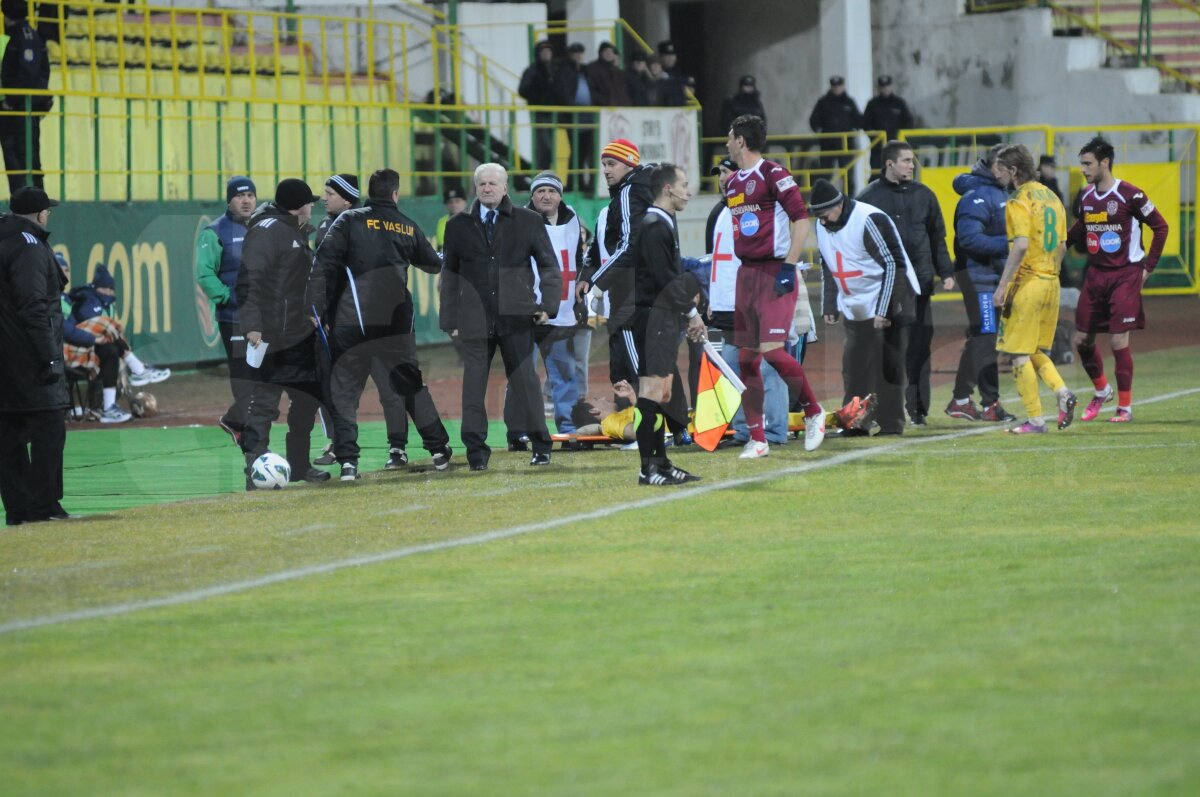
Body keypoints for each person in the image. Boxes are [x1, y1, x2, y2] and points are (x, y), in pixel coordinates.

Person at [308, 169, 452, 480]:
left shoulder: (348, 221)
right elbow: (434, 263)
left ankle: (348, 462)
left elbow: (323, 263)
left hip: (353, 322)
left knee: (344, 391)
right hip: (397, 324)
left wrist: (316, 308)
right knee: (409, 385)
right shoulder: (406, 225)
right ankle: (439, 450)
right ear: (395, 194)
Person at [440, 162, 561, 471]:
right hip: (473, 320)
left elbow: (548, 265)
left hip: (517, 316)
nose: (487, 188)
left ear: (505, 187)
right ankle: (476, 453)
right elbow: (450, 275)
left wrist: (548, 305)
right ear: (475, 188)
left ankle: (541, 444)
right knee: (473, 388)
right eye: (482, 184)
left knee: (526, 384)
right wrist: (449, 320)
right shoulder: (457, 226)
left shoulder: (528, 221)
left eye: (493, 183)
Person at [725, 114, 824, 458]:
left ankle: (813, 412)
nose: (725, 142)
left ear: (740, 140)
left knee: (772, 351)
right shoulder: (733, 183)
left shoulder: (774, 174)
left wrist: (789, 265)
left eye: (729, 136)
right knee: (746, 360)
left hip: (774, 271)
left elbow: (801, 219)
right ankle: (758, 438)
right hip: (747, 274)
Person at [1066, 136, 1169, 424]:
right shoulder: (1086, 197)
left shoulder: (1131, 195)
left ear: (1104, 162)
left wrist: (1148, 268)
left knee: (1117, 340)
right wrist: (1058, 242)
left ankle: (1125, 407)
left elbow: (1161, 227)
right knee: (1081, 340)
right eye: (1082, 164)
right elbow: (1079, 229)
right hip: (1095, 275)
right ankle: (1101, 391)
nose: (1083, 169)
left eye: (1087, 164)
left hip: (1125, 275)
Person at [237, 178, 331, 486]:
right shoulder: (268, 232)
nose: (313, 206)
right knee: (264, 403)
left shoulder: (294, 230)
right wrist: (253, 326)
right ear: (299, 205)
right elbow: (250, 281)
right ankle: (255, 468)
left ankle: (300, 466)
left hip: (298, 333)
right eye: (310, 202)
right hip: (272, 333)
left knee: (305, 401)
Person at [857, 140, 954, 425]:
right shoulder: (868, 198)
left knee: (920, 349)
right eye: (907, 161)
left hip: (920, 285)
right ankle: (878, 409)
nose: (912, 165)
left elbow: (938, 237)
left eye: (912, 161)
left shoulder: (925, 195)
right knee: (883, 351)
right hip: (884, 290)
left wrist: (946, 272)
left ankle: (919, 410)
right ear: (889, 163)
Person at [812, 178, 919, 436]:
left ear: (839, 204)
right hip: (856, 305)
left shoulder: (869, 219)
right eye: (819, 217)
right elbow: (828, 262)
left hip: (891, 298)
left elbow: (893, 264)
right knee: (854, 367)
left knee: (887, 366)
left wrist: (884, 309)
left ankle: (891, 424)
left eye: (826, 215)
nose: (823, 222)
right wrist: (830, 304)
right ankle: (855, 422)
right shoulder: (822, 223)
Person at [990, 144, 1077, 434]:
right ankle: (1063, 393)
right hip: (1051, 281)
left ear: (1013, 171)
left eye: (1000, 169)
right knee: (1037, 349)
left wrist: (1004, 285)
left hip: (1028, 283)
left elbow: (1022, 245)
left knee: (1017, 353)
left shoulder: (1018, 200)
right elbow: (1063, 245)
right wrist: (1050, 273)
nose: (997, 174)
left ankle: (1036, 420)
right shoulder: (1052, 196)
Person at [630, 161, 705, 486]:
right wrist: (691, 313)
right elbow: (664, 279)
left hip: (660, 318)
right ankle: (649, 469)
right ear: (667, 188)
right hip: (651, 319)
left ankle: (660, 463)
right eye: (684, 184)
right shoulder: (654, 225)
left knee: (659, 393)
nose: (689, 191)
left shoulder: (662, 222)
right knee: (650, 394)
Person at [0, 186, 69, 524]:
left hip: (4, 360)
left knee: (8, 433)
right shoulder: (30, 247)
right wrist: (50, 357)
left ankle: (18, 509)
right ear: (41, 214)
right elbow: (33, 307)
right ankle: (43, 507)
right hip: (28, 358)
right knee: (50, 425)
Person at [576, 138, 653, 408]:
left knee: (635, 365)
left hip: (632, 295)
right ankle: (633, 422)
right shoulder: (611, 208)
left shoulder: (632, 194)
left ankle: (648, 427)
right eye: (603, 165)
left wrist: (597, 284)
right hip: (618, 299)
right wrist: (586, 275)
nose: (606, 170)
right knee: (623, 362)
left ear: (630, 164)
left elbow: (630, 248)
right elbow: (595, 251)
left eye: (612, 164)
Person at [945, 143, 1016, 423]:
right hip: (979, 278)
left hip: (989, 277)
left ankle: (979, 402)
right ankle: (970, 400)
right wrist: (1011, 244)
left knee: (985, 339)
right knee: (985, 338)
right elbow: (969, 239)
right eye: (1009, 167)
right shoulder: (977, 197)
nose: (1014, 172)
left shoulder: (997, 192)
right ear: (996, 167)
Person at [64, 263, 170, 422]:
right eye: (104, 289)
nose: (108, 293)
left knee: (112, 349)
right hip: (69, 349)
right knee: (106, 325)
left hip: (88, 348)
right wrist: (96, 338)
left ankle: (108, 408)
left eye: (110, 290)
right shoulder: (86, 300)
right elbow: (75, 330)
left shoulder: (103, 303)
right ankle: (138, 370)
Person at [196, 176, 258, 444]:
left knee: (264, 375)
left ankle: (235, 420)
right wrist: (227, 297)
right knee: (243, 375)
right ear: (229, 200)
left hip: (260, 317)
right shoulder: (215, 231)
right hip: (232, 317)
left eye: (251, 196)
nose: (246, 201)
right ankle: (249, 433)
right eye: (240, 196)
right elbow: (204, 274)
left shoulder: (262, 226)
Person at [526, 171, 584, 435]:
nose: (546, 196)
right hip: (528, 312)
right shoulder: (520, 221)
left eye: (552, 191)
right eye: (540, 191)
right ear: (532, 196)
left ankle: (568, 427)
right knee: (523, 374)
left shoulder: (573, 221)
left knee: (565, 373)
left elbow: (580, 260)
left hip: (561, 311)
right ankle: (522, 429)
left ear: (560, 196)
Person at [0, 0, 51, 193]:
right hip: (27, 107)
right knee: (29, 158)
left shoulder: (20, 37)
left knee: (20, 159)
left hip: (19, 110)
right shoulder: (33, 35)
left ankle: (27, 209)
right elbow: (44, 70)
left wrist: (10, 102)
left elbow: (27, 73)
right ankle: (34, 209)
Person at [554, 43, 596, 192]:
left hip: (587, 116)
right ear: (570, 54)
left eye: (580, 53)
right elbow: (562, 91)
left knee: (584, 151)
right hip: (572, 116)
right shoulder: (565, 70)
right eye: (575, 53)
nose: (578, 56)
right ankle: (573, 183)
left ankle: (580, 182)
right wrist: (572, 106)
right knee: (576, 150)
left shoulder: (584, 71)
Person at [809, 76, 861, 194]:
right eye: (835, 87)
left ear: (843, 86)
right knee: (825, 175)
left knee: (848, 176)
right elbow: (814, 120)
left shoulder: (849, 102)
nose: (837, 89)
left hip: (846, 145)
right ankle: (824, 198)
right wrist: (818, 130)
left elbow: (858, 119)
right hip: (828, 144)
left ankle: (850, 200)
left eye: (839, 86)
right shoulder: (823, 102)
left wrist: (855, 129)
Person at [518, 40, 558, 172]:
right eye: (543, 52)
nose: (546, 54)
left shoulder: (554, 69)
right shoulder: (532, 70)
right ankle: (542, 171)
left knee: (552, 146)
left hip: (554, 113)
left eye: (549, 52)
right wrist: (538, 99)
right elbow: (523, 89)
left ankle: (547, 172)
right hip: (539, 113)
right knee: (544, 145)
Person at [862, 75, 914, 171]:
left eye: (887, 86)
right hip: (878, 146)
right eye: (883, 87)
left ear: (891, 86)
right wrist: (873, 135)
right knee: (877, 172)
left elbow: (908, 122)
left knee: (898, 170)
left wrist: (900, 136)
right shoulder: (873, 104)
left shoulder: (899, 103)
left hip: (896, 146)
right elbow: (865, 123)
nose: (885, 89)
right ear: (879, 88)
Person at [586, 41, 630, 107]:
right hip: (601, 109)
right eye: (606, 51)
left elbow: (623, 91)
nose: (609, 53)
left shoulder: (617, 71)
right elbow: (591, 90)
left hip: (620, 110)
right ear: (600, 52)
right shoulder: (592, 68)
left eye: (611, 51)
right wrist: (605, 101)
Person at [433, 185, 467, 252]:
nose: (454, 205)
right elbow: (440, 247)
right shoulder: (442, 222)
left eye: (457, 201)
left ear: (465, 202)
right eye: (450, 202)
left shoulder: (475, 220)